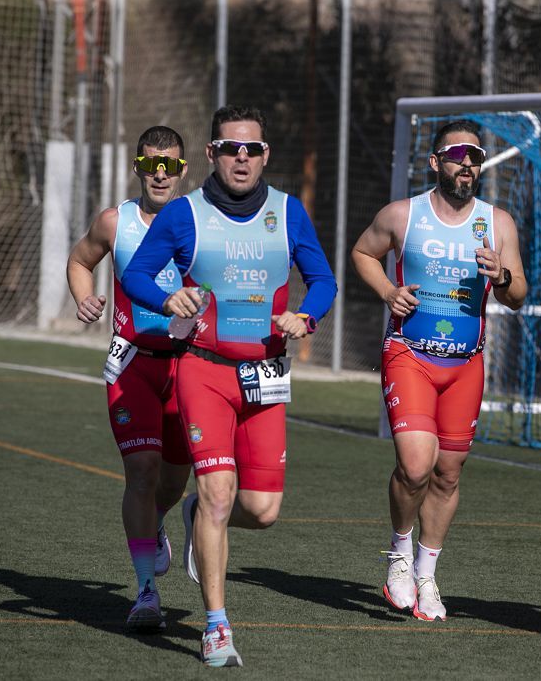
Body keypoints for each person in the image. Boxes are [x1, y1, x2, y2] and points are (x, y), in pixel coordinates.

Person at [121, 105, 336, 667]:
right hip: (203, 368)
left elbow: (323, 280)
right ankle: (217, 626)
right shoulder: (184, 215)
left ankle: (193, 516)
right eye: (231, 148)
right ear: (213, 154)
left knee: (262, 510)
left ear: (267, 155)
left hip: (264, 374)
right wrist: (167, 298)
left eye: (253, 149)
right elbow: (136, 274)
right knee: (220, 493)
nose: (242, 157)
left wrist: (307, 318)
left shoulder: (289, 213)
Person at [351, 120, 528, 622]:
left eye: (475, 156)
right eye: (456, 155)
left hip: (465, 364)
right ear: (436, 163)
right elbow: (363, 252)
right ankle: (398, 556)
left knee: (447, 475)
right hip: (409, 354)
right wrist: (389, 292)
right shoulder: (403, 215)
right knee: (414, 466)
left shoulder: (498, 224)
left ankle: (427, 576)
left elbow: (517, 298)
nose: (467, 163)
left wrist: (504, 275)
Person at [66, 126, 193, 632]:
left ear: (184, 170)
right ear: (137, 167)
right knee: (141, 471)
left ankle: (164, 518)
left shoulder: (206, 221)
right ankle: (145, 591)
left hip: (189, 367)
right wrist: (84, 297)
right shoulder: (115, 222)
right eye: (150, 166)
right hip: (133, 365)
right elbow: (80, 261)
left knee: (174, 479)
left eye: (170, 166)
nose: (159, 175)